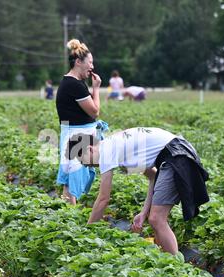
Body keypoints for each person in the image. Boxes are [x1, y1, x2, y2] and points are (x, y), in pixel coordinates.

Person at [65, 128, 209, 255]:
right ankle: (168, 263)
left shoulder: (106, 152)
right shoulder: (119, 149)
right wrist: (143, 213)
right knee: (154, 219)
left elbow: (103, 199)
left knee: (157, 219)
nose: (85, 164)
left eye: (82, 159)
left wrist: (86, 234)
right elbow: (153, 176)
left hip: (177, 155)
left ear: (90, 149)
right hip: (178, 152)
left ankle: (175, 268)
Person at [55, 38, 107, 205]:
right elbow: (95, 111)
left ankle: (66, 216)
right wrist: (96, 89)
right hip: (76, 136)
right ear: (78, 62)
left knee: (71, 180)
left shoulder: (73, 83)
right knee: (73, 179)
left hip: (75, 134)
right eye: (89, 62)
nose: (92, 66)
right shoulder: (74, 85)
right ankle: (69, 219)